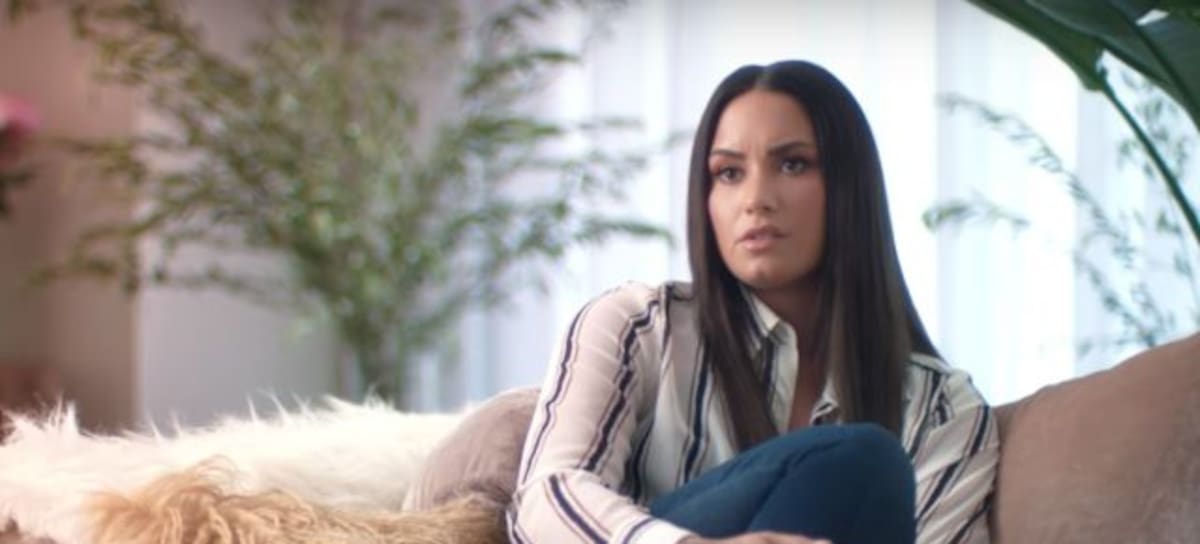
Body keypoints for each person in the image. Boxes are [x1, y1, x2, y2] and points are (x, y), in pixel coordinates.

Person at [506, 60, 999, 544]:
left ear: (851, 187)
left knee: (864, 462)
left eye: (792, 164)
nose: (756, 198)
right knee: (862, 457)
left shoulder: (941, 411)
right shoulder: (637, 328)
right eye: (728, 173)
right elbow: (545, 501)